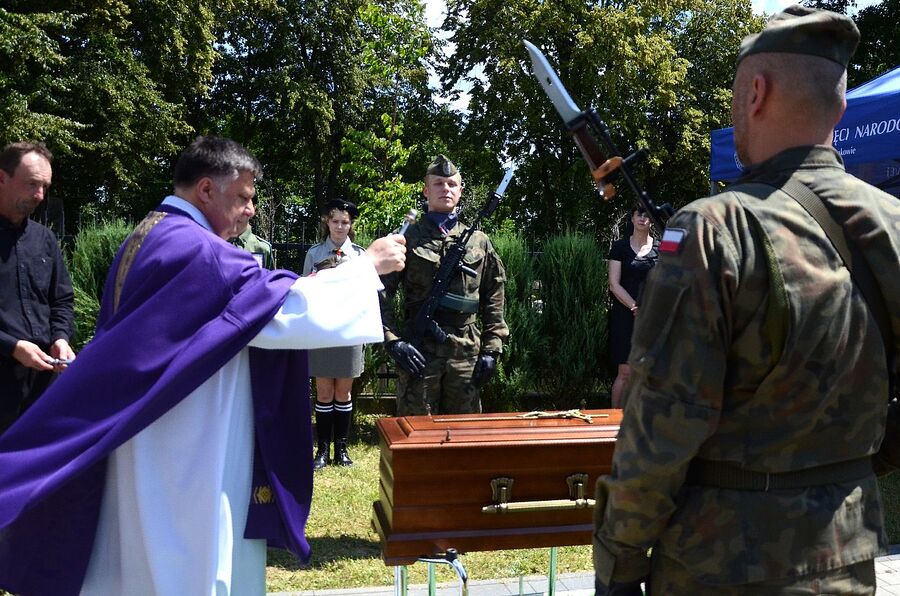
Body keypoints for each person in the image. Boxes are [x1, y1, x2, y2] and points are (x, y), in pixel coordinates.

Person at [0, 136, 407, 595]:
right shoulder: (195, 250)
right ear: (207, 190)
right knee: (189, 559)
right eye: (244, 197)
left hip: (156, 428)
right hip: (187, 444)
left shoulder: (152, 233)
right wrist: (365, 267)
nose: (251, 210)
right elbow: (276, 310)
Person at [593, 6, 900, 596]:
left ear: (754, 92)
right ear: (838, 107)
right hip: (850, 555)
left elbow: (663, 425)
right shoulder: (890, 223)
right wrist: (847, 468)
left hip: (722, 567)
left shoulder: (715, 228)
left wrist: (618, 561)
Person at [380, 155, 509, 415]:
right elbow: (379, 291)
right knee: (416, 433)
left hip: (466, 352)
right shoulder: (406, 238)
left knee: (463, 436)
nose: (445, 189)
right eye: (438, 183)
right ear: (426, 190)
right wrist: (393, 341)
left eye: (452, 184)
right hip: (419, 350)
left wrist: (492, 349)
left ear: (460, 191)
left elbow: (494, 294)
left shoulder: (478, 241)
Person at [0, 142, 75, 434]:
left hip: (44, 385)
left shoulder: (44, 239)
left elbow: (62, 300)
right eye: (31, 184)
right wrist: (13, 347)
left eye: (45, 186)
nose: (40, 195)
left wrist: (61, 337)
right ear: (2, 178)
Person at [302, 199, 367, 468]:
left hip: (349, 331)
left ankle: (342, 450)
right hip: (322, 330)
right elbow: (303, 291)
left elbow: (367, 294)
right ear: (327, 222)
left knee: (344, 392)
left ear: (351, 225)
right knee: (324, 391)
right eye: (335, 220)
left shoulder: (360, 256)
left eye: (345, 222)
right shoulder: (314, 254)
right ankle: (322, 451)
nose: (340, 226)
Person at [606, 205, 659, 408]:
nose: (642, 218)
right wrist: (635, 307)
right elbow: (613, 284)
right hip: (625, 316)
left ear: (652, 220)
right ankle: (613, 426)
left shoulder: (663, 248)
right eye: (639, 214)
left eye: (647, 215)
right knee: (625, 373)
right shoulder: (619, 247)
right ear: (632, 218)